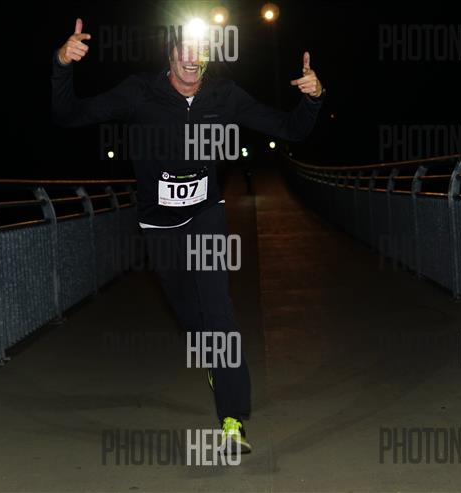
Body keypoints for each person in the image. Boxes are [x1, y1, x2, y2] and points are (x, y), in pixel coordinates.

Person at [52, 18, 324, 454]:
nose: (192, 59)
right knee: (189, 316)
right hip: (159, 224)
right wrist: (62, 65)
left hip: (205, 214)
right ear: (171, 53)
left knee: (219, 312)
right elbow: (69, 115)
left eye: (201, 50)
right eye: (185, 49)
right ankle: (214, 360)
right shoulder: (139, 92)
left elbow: (290, 129)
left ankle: (232, 418)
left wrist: (313, 98)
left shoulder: (224, 95)